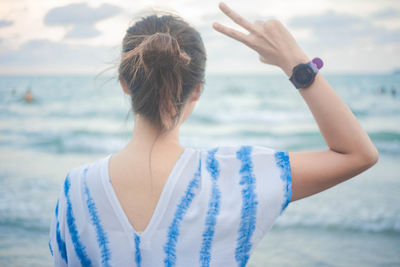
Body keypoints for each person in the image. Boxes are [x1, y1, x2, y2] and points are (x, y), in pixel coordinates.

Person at [48, 2, 378, 266]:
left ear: (124, 84)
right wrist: (296, 63)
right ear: (197, 90)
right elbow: (358, 154)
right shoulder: (235, 178)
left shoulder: (75, 190)